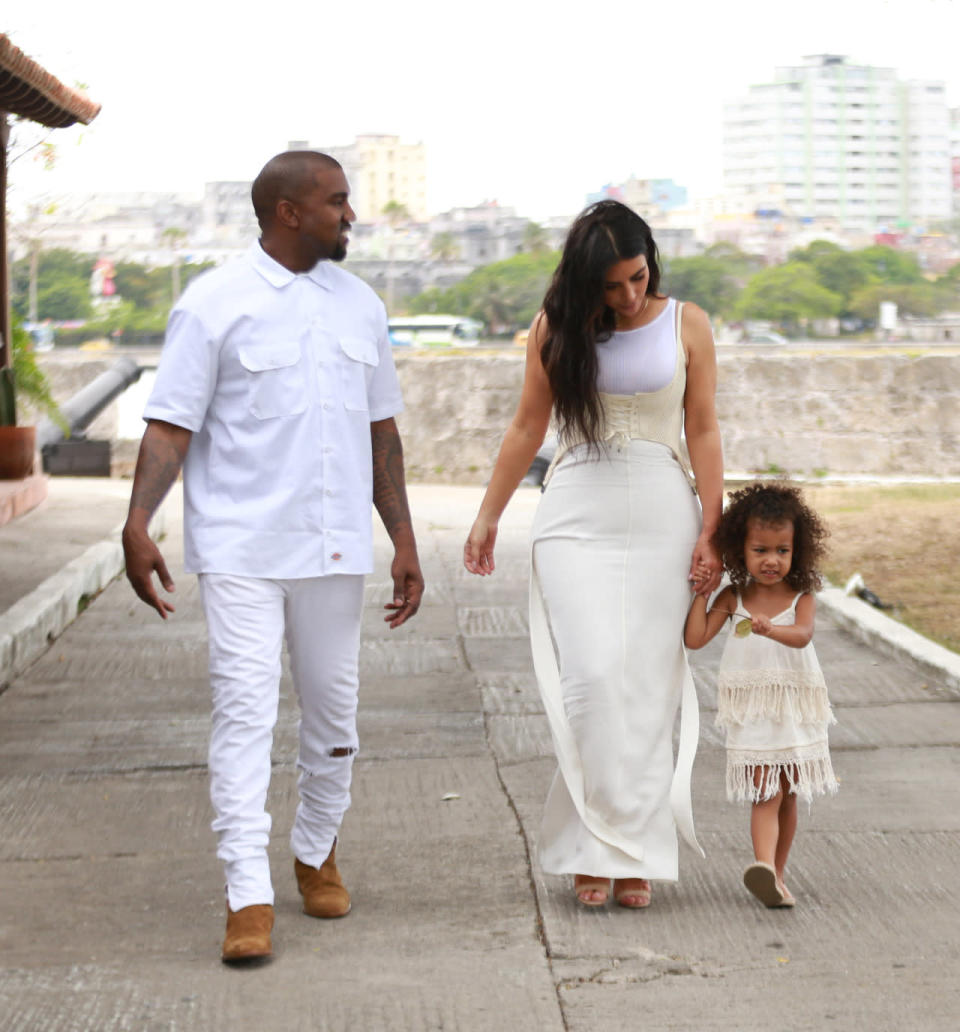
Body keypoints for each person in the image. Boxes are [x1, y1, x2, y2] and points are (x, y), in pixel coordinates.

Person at [121, 151, 424, 963]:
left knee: (334, 715)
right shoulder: (213, 305)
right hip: (242, 550)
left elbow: (380, 431)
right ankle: (245, 893)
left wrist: (403, 539)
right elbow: (170, 424)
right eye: (336, 202)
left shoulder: (361, 306)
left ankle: (316, 845)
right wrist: (139, 520)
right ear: (288, 212)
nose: (350, 214)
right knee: (245, 712)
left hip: (332, 550)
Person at [463, 200, 723, 909]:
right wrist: (488, 516)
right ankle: (594, 840)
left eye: (638, 278)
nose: (630, 296)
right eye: (612, 286)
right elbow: (526, 427)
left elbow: (701, 429)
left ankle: (632, 850)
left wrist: (713, 527)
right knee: (593, 682)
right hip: (576, 513)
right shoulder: (554, 329)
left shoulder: (687, 322)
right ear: (585, 283)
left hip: (664, 512)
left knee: (646, 685)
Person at [684, 482, 837, 908]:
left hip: (793, 706)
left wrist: (774, 629)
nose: (772, 560)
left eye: (782, 551)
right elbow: (696, 638)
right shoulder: (734, 597)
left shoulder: (800, 596)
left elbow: (803, 636)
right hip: (753, 710)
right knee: (765, 791)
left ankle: (777, 876)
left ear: (797, 550)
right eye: (761, 550)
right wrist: (702, 594)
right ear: (739, 549)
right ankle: (763, 867)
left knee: (788, 793)